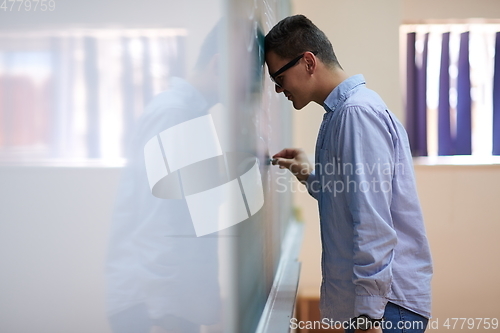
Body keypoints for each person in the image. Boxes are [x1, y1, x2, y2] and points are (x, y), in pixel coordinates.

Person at [265, 15, 432, 333]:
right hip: (380, 306)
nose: (277, 90)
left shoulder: (356, 114)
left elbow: (373, 222)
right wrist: (309, 175)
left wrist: (369, 317)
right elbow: (350, 196)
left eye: (279, 78)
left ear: (309, 62)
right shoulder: (342, 112)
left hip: (384, 309)